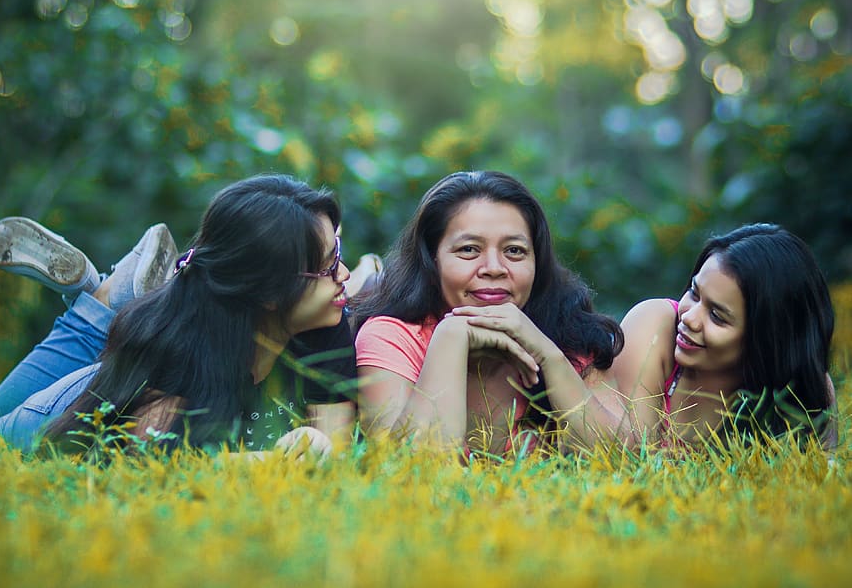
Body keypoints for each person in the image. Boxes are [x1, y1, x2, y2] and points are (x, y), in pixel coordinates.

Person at [0, 174, 358, 458]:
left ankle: (114, 299)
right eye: (329, 266)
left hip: (145, 339)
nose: (344, 276)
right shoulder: (177, 361)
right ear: (271, 291)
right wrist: (273, 462)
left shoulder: (324, 321)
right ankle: (100, 308)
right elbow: (154, 464)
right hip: (61, 411)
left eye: (338, 253)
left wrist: (316, 447)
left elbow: (332, 452)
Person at [350, 170, 624, 455]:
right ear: (433, 260)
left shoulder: (573, 333)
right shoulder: (391, 337)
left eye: (514, 251)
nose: (494, 267)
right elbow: (408, 471)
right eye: (469, 249)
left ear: (536, 262)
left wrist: (548, 355)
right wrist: (451, 337)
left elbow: (626, 463)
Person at [609, 223, 837, 449]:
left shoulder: (804, 394)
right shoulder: (654, 325)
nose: (689, 318)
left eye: (717, 316)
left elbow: (823, 467)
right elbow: (637, 453)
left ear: (766, 340)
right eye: (694, 293)